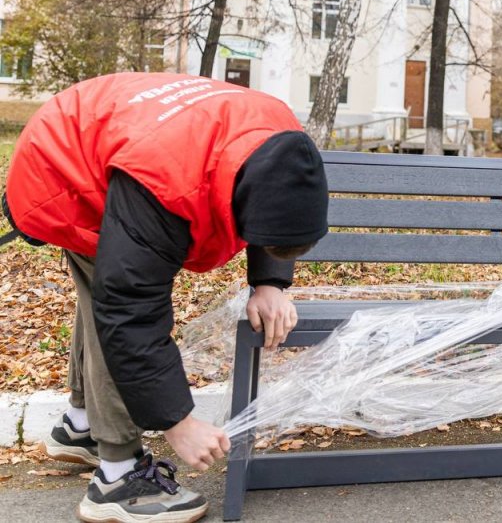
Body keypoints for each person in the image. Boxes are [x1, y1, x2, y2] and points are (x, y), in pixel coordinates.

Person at [1, 73, 329, 523]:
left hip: (116, 135)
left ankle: (81, 428)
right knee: (109, 293)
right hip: (62, 167)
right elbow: (127, 306)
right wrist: (178, 423)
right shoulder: (166, 180)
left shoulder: (281, 143)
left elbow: (272, 195)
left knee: (104, 290)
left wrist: (270, 282)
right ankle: (117, 479)